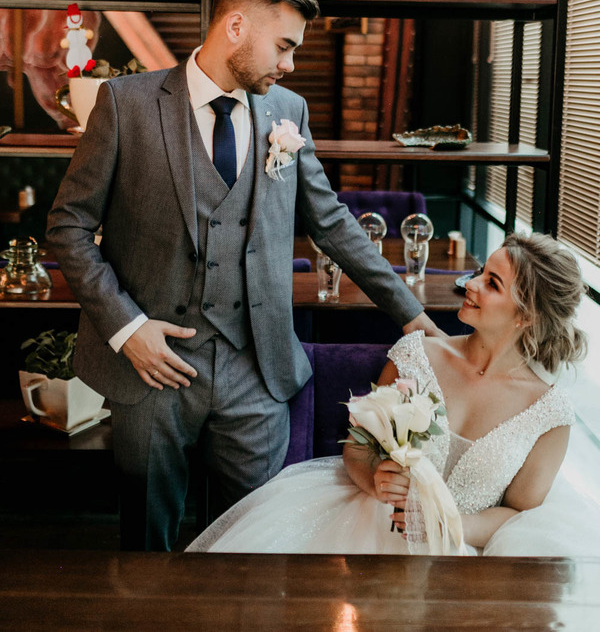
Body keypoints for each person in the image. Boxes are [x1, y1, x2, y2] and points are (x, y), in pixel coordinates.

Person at [46, 0, 439, 552]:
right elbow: (68, 226)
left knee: (253, 543)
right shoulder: (125, 104)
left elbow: (332, 222)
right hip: (152, 369)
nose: (290, 64)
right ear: (235, 27)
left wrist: (410, 313)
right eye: (284, 46)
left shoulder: (289, 112)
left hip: (256, 371)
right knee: (146, 546)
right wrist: (128, 330)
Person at [187, 232, 600, 557]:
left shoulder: (549, 412)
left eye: (491, 283)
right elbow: (358, 447)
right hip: (369, 523)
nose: (470, 284)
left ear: (527, 315)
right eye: (480, 271)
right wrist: (375, 478)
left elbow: (520, 514)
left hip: (469, 550)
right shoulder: (418, 355)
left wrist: (450, 524)